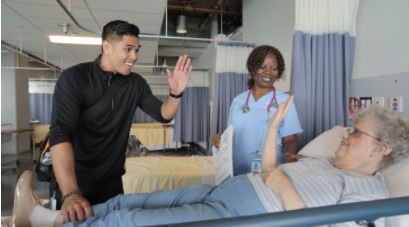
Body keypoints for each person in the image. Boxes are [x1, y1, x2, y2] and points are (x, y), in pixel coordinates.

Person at [12, 97, 409, 227]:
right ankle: (43, 218)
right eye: (349, 128)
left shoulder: (372, 194)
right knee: (125, 203)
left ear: (382, 149)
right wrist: (272, 130)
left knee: (130, 222)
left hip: (244, 211)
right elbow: (271, 172)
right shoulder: (326, 165)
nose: (345, 134)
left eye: (356, 132)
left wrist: (286, 188)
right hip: (230, 189)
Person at [47, 20, 192, 222]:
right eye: (128, 49)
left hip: (111, 182)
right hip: (75, 181)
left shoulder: (136, 84)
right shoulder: (75, 78)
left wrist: (176, 94)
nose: (135, 56)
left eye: (137, 50)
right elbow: (60, 133)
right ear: (107, 46)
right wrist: (70, 193)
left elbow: (163, 114)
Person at [213, 45, 303, 176]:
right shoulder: (238, 101)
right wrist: (219, 139)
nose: (269, 72)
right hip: (236, 169)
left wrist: (288, 155)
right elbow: (231, 135)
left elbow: (289, 139)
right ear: (253, 68)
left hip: (268, 170)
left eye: (274, 68)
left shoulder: (285, 101)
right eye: (263, 67)